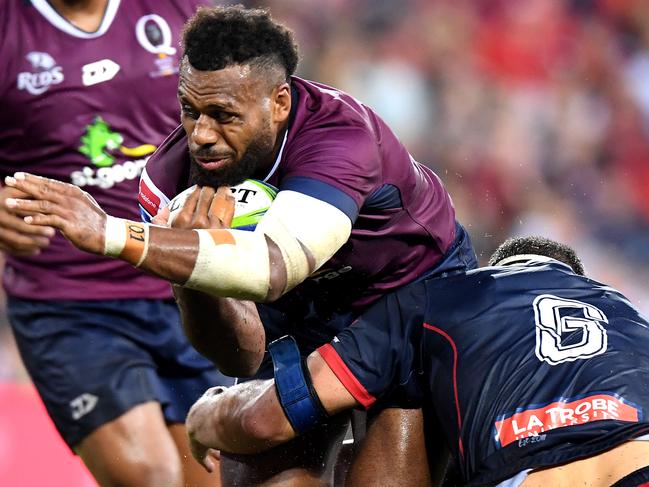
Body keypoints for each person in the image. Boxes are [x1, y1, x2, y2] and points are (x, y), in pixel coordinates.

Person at [4, 5, 478, 485]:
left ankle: (207, 417)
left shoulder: (342, 138)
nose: (202, 135)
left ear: (279, 103)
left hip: (403, 299)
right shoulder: (168, 185)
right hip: (298, 315)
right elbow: (238, 354)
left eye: (224, 115)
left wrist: (108, 232)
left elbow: (273, 268)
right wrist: (190, 275)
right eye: (191, 111)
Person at [182, 236, 649, 487]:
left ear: (491, 271)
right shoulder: (633, 319)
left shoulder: (441, 299)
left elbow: (276, 415)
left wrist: (205, 418)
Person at [0, 1, 231, 486]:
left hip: (187, 285)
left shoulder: (183, 11)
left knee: (216, 477)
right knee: (148, 474)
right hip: (70, 301)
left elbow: (254, 114)